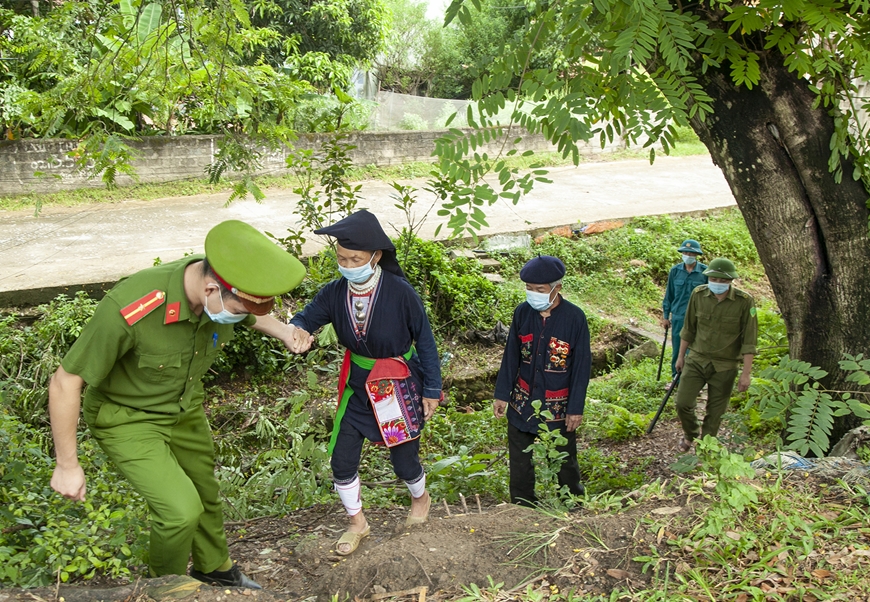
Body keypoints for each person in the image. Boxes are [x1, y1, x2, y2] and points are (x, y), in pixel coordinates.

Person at [48, 220, 306, 588]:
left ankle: (214, 568)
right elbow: (64, 381)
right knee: (180, 511)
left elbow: (249, 312)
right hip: (127, 417)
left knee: (205, 494)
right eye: (236, 309)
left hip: (183, 406)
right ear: (211, 288)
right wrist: (67, 465)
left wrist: (283, 331)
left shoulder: (222, 287)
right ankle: (164, 589)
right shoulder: (131, 308)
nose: (239, 317)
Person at [286, 210, 442, 556]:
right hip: (358, 388)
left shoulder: (401, 293)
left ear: (376, 256)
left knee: (403, 462)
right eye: (342, 258)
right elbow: (306, 317)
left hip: (395, 387)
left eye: (355, 259)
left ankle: (421, 498)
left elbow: (426, 341)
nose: (348, 264)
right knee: (341, 460)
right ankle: (357, 522)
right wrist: (297, 329)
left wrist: (432, 389)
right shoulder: (334, 293)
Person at [492, 256, 591, 507]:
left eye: (540, 290)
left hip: (557, 406)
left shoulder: (574, 318)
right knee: (520, 460)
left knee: (563, 459)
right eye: (529, 289)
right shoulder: (522, 313)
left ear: (556, 288)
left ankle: (572, 504)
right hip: (522, 402)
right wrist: (502, 394)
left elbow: (581, 368)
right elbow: (511, 356)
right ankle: (522, 506)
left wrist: (575, 408)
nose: (533, 294)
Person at [674, 257, 757, 452]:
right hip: (696, 359)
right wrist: (680, 356)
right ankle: (691, 432)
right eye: (714, 279)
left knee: (715, 411)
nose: (717, 284)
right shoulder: (699, 295)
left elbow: (750, 340)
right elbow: (688, 329)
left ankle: (706, 447)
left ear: (731, 282)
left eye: (722, 281)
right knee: (682, 403)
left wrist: (746, 373)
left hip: (725, 366)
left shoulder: (745, 302)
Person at [661, 239, 708, 384]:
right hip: (679, 316)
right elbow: (669, 295)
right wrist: (665, 316)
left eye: (691, 253)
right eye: (685, 252)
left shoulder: (705, 272)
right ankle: (676, 378)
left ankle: (693, 381)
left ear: (696, 255)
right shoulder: (675, 271)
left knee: (695, 350)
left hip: (698, 317)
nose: (688, 255)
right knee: (678, 349)